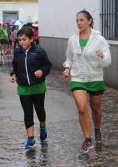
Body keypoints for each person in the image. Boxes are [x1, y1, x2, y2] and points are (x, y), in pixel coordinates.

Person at [63, 10, 111, 154]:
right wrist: (67, 67)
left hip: (95, 77)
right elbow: (69, 58)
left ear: (89, 21)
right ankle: (87, 139)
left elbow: (108, 62)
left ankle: (97, 130)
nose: (79, 23)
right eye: (77, 20)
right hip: (78, 77)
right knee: (82, 109)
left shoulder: (99, 40)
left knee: (96, 109)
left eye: (82, 20)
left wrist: (102, 56)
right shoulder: (72, 39)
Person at [10, 26, 52, 150]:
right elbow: (15, 66)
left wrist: (42, 71)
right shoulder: (17, 52)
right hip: (23, 88)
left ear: (31, 39)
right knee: (27, 113)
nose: (21, 42)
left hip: (38, 87)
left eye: (24, 39)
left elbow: (48, 65)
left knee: (40, 111)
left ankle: (43, 127)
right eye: (19, 40)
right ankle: (30, 139)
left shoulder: (39, 51)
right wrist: (13, 74)